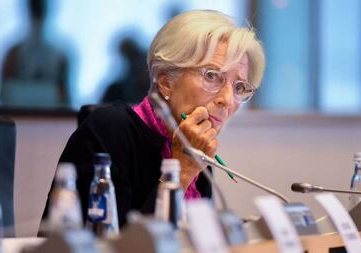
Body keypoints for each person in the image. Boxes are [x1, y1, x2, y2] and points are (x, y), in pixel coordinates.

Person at [43, 9, 265, 227]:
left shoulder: (199, 151)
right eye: (212, 76)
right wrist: (182, 170)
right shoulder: (109, 130)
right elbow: (111, 245)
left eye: (240, 87)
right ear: (166, 80)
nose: (227, 99)